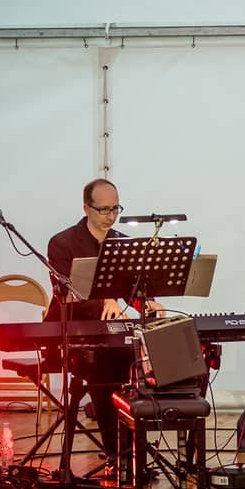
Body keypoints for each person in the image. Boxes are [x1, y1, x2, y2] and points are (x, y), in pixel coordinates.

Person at [44, 178, 164, 465]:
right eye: (104, 210)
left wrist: (145, 302)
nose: (111, 216)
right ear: (86, 208)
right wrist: (102, 302)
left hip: (109, 332)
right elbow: (67, 294)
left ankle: (134, 444)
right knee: (105, 363)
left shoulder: (122, 242)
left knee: (143, 355)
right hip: (72, 332)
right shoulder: (63, 243)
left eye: (116, 209)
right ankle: (117, 451)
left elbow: (132, 289)